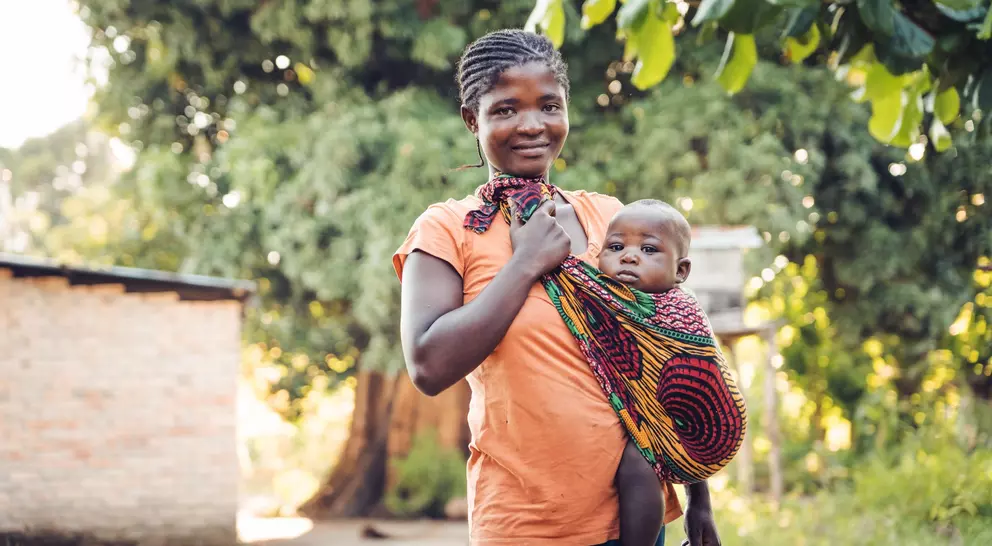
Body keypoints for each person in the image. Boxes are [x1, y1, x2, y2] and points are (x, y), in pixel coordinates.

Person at [393, 29, 723, 546]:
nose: (531, 125)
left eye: (549, 105)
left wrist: (699, 498)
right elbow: (428, 366)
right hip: (525, 524)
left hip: (634, 519)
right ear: (471, 119)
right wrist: (524, 264)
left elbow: (670, 352)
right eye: (505, 110)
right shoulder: (447, 229)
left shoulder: (613, 223)